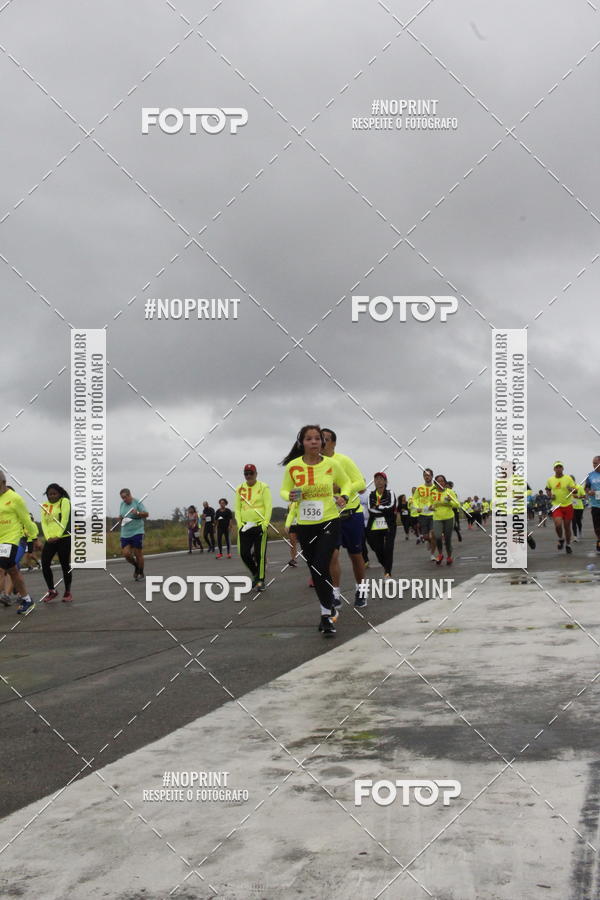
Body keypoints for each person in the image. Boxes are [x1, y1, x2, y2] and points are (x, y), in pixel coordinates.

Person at [280, 425, 351, 636]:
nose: (314, 442)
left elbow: (346, 483)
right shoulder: (293, 467)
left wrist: (344, 496)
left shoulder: (332, 465)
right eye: (309, 439)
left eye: (317, 439)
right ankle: (325, 612)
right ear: (302, 442)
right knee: (315, 570)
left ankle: (327, 616)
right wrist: (289, 496)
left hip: (329, 521)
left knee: (322, 564)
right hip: (305, 525)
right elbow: (284, 490)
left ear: (323, 442)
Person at [321, 428, 367, 608]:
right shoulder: (316, 464)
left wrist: (339, 489)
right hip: (331, 516)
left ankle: (361, 590)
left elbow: (361, 484)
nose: (321, 443)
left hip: (351, 514)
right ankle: (336, 594)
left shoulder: (344, 460)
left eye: (325, 439)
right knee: (332, 556)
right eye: (319, 439)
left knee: (356, 555)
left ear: (333, 443)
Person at [0, 471, 38, 614]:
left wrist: (33, 539)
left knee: (1, 569)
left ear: (3, 483)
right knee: (13, 571)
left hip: (11, 539)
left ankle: (11, 596)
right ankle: (27, 599)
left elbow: (26, 520)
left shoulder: (15, 499)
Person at [234, 465, 272, 590]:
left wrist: (265, 525)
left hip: (259, 525)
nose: (249, 476)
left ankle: (260, 580)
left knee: (259, 554)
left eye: (251, 473)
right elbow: (237, 509)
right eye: (246, 473)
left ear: (256, 473)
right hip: (245, 526)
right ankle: (255, 573)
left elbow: (268, 506)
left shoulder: (263, 487)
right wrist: (240, 524)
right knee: (244, 553)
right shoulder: (240, 488)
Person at [40, 483, 73, 603]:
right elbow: (44, 523)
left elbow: (64, 519)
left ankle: (67, 592)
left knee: (65, 565)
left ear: (59, 493)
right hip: (50, 540)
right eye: (49, 494)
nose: (52, 496)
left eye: (54, 494)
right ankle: (52, 590)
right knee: (44, 563)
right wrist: (48, 537)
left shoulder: (64, 501)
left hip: (64, 537)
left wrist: (58, 535)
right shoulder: (45, 505)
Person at [366, 473, 397, 576]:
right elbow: (370, 509)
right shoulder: (371, 494)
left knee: (389, 548)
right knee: (378, 549)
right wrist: (384, 508)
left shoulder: (390, 493)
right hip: (375, 524)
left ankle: (387, 573)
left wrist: (378, 507)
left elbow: (391, 507)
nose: (378, 481)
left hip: (389, 523)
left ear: (385, 481)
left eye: (381, 479)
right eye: (376, 479)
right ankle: (386, 566)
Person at [546, 462, 576, 554]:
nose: (558, 469)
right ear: (554, 469)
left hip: (568, 505)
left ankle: (568, 545)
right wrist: (550, 495)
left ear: (563, 468)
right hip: (557, 506)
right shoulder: (550, 479)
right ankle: (561, 538)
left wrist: (571, 489)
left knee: (567, 527)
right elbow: (547, 489)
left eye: (560, 467)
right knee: (558, 524)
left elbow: (575, 490)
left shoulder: (568, 478)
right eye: (556, 467)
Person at [118, 488, 148, 579]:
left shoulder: (137, 502)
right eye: (122, 498)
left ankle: (141, 572)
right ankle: (136, 566)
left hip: (137, 531)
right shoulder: (122, 504)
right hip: (125, 533)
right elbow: (122, 516)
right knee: (126, 554)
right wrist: (120, 518)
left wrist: (138, 513)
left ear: (129, 495)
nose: (124, 499)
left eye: (125, 497)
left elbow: (146, 514)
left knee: (137, 553)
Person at [430, 475, 460, 565]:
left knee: (447, 539)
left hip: (449, 518)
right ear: (435, 483)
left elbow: (457, 505)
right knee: (438, 537)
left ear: (445, 482)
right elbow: (431, 504)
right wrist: (430, 507)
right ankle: (440, 554)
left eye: (442, 481)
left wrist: (450, 501)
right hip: (437, 518)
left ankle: (449, 556)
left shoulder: (449, 492)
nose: (440, 483)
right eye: (438, 481)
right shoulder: (433, 493)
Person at [412, 469, 437, 560]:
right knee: (426, 537)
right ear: (423, 477)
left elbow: (438, 499)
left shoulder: (435, 488)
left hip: (433, 514)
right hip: (422, 514)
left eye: (429, 475)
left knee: (433, 534)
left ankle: (432, 554)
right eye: (425, 475)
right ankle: (428, 541)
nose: (427, 477)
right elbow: (414, 499)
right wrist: (417, 507)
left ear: (432, 476)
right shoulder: (419, 488)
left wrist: (435, 506)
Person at [584, 455, 600, 555]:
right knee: (597, 528)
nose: (594, 465)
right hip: (595, 505)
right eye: (593, 463)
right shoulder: (590, 475)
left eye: (595, 463)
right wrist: (589, 492)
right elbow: (586, 488)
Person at [571, 476, 585, 542]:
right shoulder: (567, 489)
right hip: (571, 508)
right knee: (573, 522)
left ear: (574, 480)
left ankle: (580, 531)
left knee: (578, 521)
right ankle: (575, 537)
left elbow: (584, 496)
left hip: (579, 507)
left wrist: (578, 496)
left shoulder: (579, 487)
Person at [284, 502, 299, 567]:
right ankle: (293, 560)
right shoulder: (289, 505)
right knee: (292, 543)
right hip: (292, 525)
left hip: (301, 524)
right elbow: (288, 514)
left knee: (306, 543)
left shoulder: (302, 502)